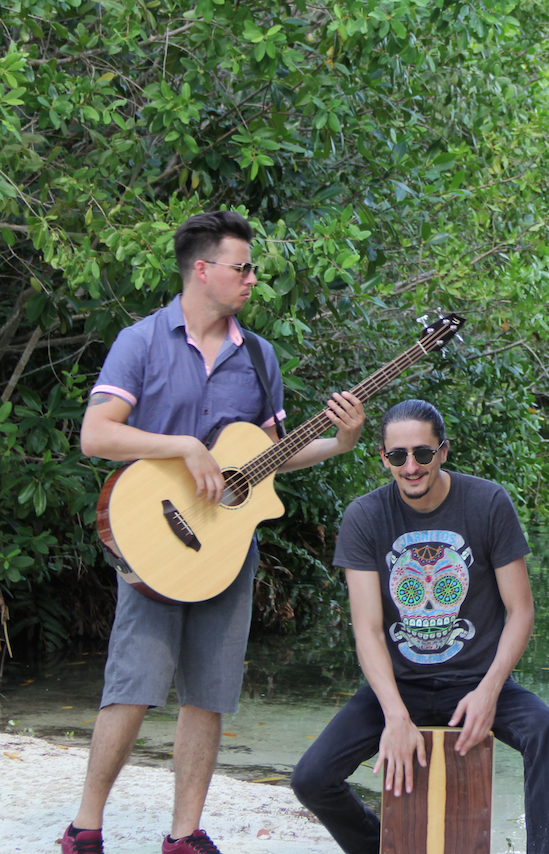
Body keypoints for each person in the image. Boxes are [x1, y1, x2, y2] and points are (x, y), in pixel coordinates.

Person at [63, 210, 367, 854]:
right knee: (132, 686)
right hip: (151, 538)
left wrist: (340, 443)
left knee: (209, 695)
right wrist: (182, 447)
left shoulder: (258, 356)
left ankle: (184, 835)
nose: (253, 278)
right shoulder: (141, 341)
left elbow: (271, 455)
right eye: (242, 267)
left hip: (228, 548)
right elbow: (96, 435)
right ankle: (84, 828)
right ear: (202, 270)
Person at [290, 399, 549, 854]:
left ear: (443, 451)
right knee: (311, 779)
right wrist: (395, 715)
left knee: (548, 731)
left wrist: (489, 691)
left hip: (477, 682)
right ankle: (383, 848)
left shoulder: (487, 502)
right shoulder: (365, 516)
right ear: (383, 457)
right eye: (397, 455)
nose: (411, 466)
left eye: (422, 453)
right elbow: (368, 630)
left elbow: (521, 610)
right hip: (400, 687)